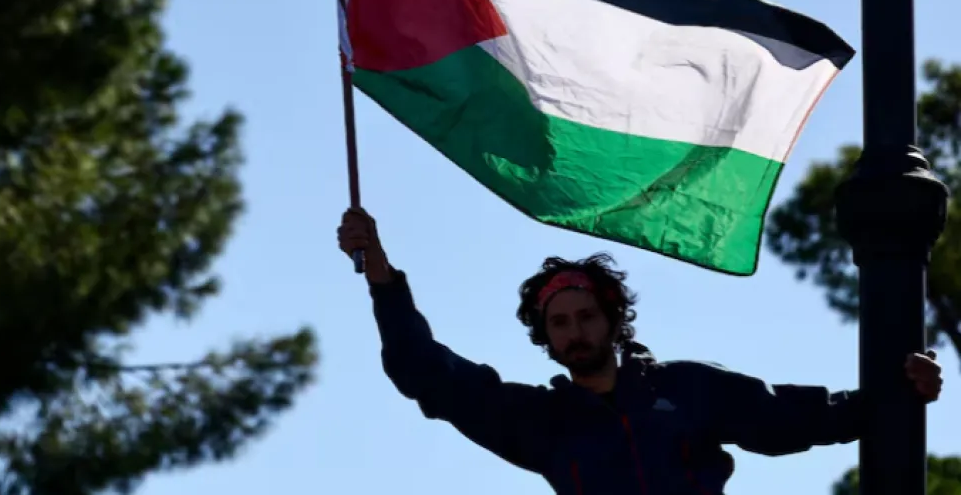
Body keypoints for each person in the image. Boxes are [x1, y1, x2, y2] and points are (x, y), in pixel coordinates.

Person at [337, 208, 944, 495]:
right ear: (547, 340)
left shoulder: (685, 389)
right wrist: (381, 274)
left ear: (611, 322)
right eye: (560, 324)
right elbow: (428, 374)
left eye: (585, 317)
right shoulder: (538, 422)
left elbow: (801, 418)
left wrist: (898, 391)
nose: (575, 331)